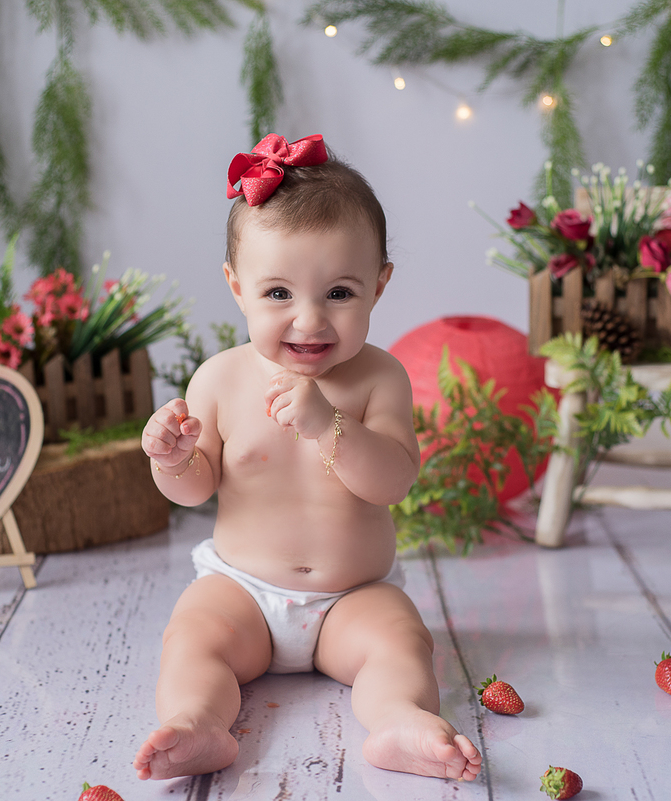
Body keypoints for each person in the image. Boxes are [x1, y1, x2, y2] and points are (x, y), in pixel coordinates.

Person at [132, 134, 482, 783]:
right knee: (192, 638)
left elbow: (392, 481)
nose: (309, 320)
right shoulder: (219, 380)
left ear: (380, 285)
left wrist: (331, 425)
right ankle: (197, 720)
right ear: (237, 288)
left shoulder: (380, 379)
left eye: (340, 294)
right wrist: (176, 458)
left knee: (401, 642)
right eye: (278, 295)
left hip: (352, 595)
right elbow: (193, 488)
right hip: (243, 589)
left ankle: (399, 717)